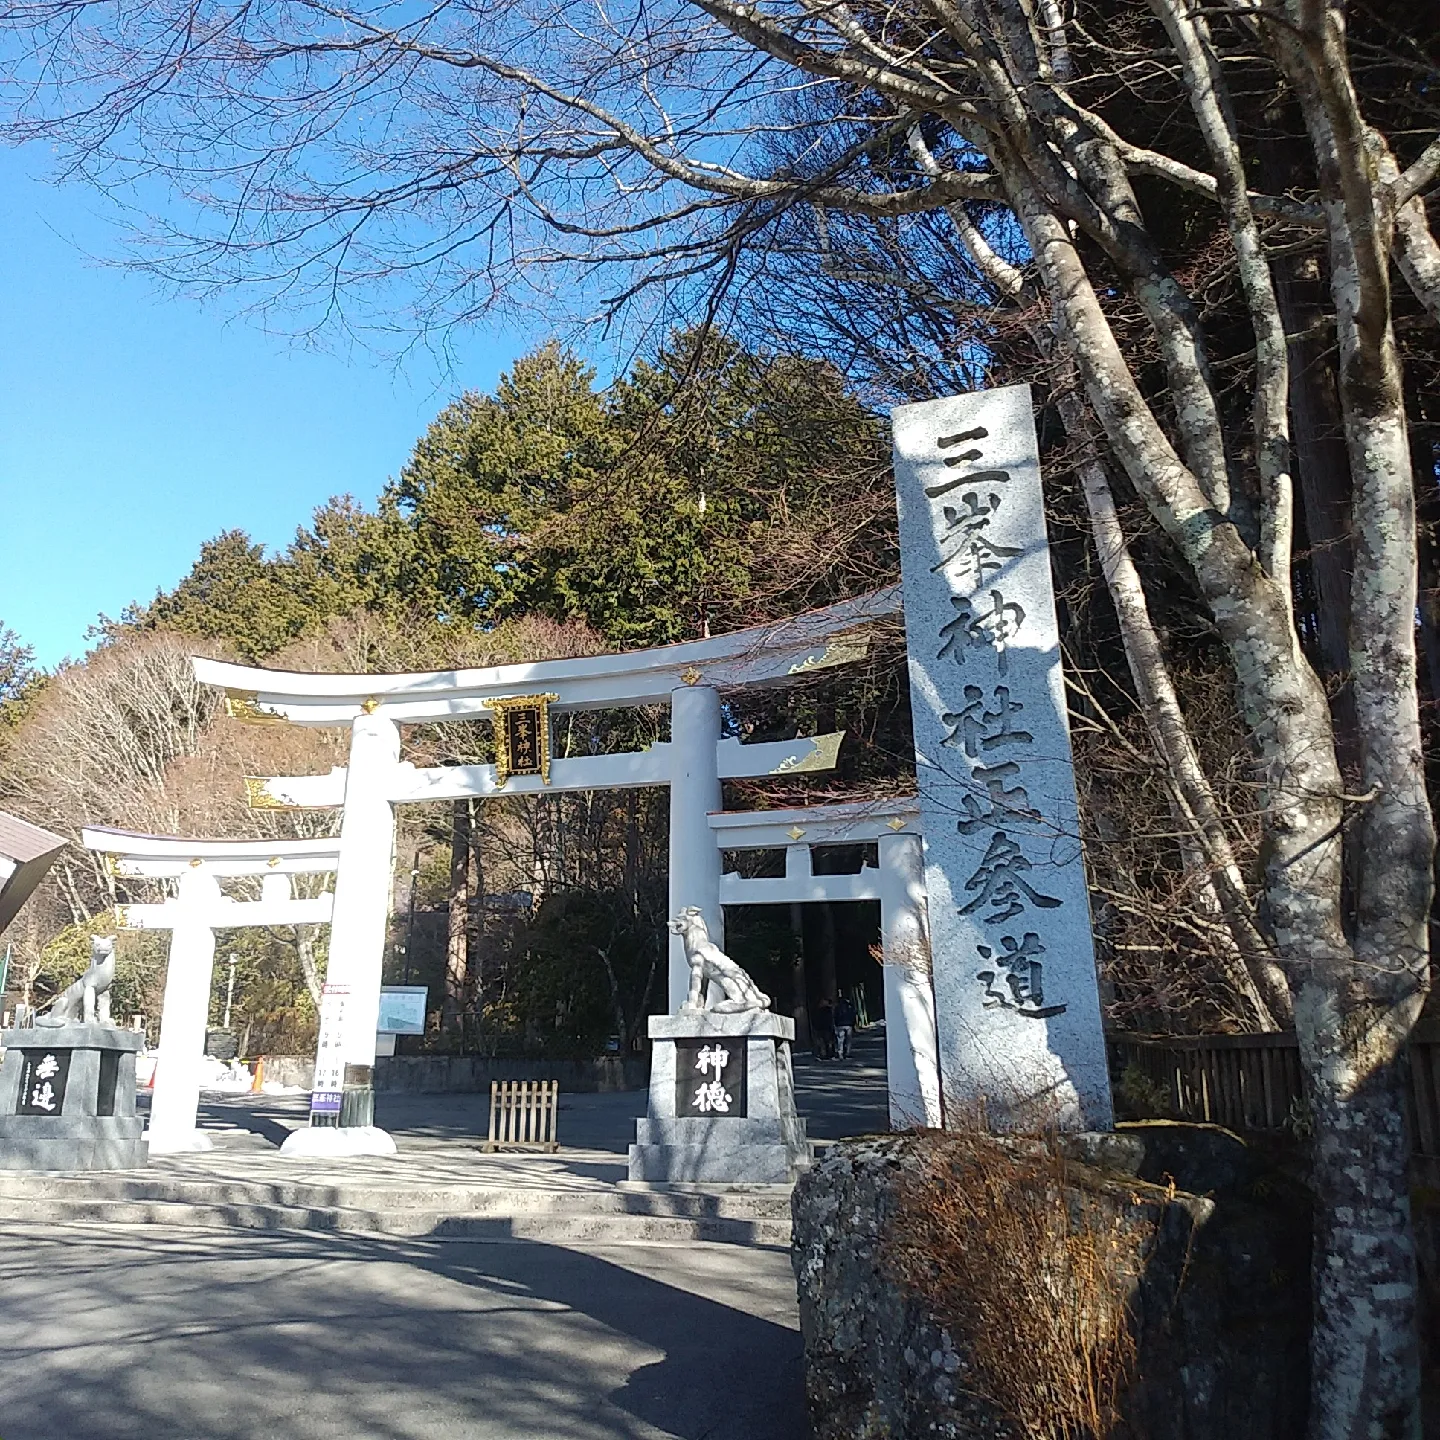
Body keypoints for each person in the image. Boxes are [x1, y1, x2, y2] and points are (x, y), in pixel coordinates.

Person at [833, 995, 856, 1060]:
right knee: (849, 1039)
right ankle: (848, 1053)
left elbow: (835, 1016)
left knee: (840, 1040)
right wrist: (852, 1024)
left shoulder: (837, 1007)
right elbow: (853, 1015)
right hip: (849, 1025)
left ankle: (840, 1053)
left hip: (840, 1025)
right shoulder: (850, 1007)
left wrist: (836, 1024)